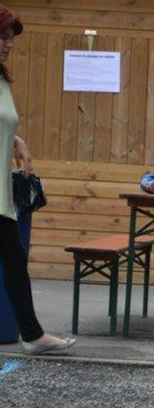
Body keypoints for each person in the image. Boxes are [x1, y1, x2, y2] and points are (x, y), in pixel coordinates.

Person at [0, 5, 73, 355]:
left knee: (14, 260)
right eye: (2, 37)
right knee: (14, 260)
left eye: (10, 39)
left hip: (1, 196)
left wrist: (17, 141)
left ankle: (32, 335)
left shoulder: (1, 80)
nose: (8, 44)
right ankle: (32, 334)